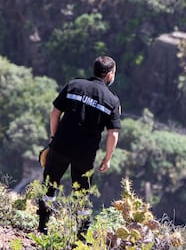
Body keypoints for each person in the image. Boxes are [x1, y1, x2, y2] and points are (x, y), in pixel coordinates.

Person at [37, 55, 121, 239]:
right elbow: (113, 133)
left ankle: (42, 228)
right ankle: (80, 238)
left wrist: (53, 138)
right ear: (109, 74)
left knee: (50, 187)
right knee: (81, 196)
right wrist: (107, 158)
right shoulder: (112, 101)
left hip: (60, 146)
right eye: (113, 72)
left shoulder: (74, 85)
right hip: (85, 156)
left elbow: (55, 113)